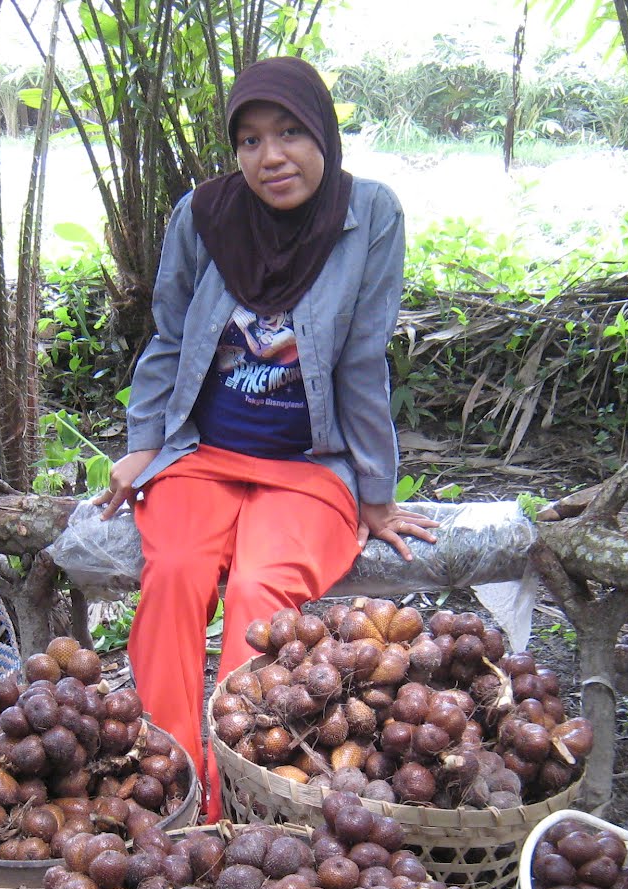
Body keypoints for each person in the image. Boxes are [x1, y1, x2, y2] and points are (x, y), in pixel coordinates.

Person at [95, 56, 437, 819]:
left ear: (323, 134)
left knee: (259, 596)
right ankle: (167, 781)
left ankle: (238, 798)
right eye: (249, 140)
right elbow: (167, 337)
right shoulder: (203, 215)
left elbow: (363, 357)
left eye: (288, 133)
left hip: (309, 464)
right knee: (175, 572)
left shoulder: (368, 214)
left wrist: (376, 493)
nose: (270, 156)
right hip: (204, 455)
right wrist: (144, 441)